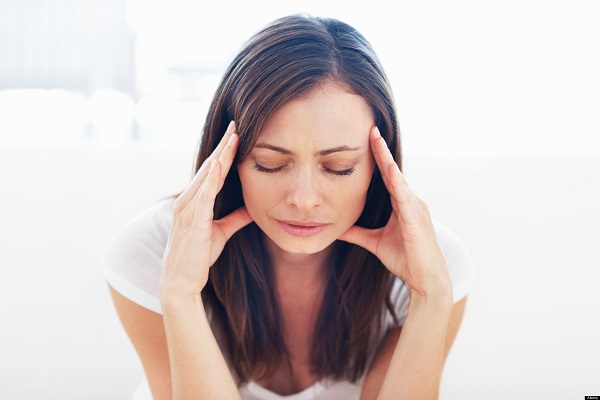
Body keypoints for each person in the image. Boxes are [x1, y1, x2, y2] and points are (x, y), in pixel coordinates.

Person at [100, 14, 477, 400]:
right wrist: (179, 293)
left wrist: (430, 297)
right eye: (270, 163)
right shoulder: (148, 253)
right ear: (230, 160)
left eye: (338, 168)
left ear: (379, 169)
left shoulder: (431, 266)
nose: (303, 198)